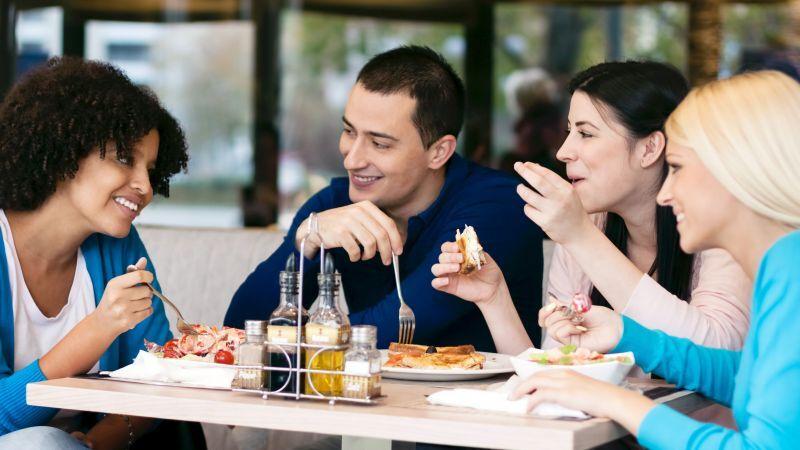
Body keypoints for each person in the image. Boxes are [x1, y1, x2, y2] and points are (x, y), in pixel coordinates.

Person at [512, 70, 800, 449]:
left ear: (736, 169)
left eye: (676, 167)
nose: (665, 193)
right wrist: (627, 335)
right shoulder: (782, 262)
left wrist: (617, 402)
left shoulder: (789, 269)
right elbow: (745, 376)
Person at [225, 46, 544, 350]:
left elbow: (397, 326)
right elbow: (238, 332)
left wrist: (286, 338)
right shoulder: (334, 206)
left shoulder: (497, 205)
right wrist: (304, 242)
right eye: (349, 132)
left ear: (438, 152)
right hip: (364, 387)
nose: (352, 159)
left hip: (483, 390)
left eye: (379, 144)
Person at [432, 61, 750, 355]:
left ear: (649, 148)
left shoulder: (719, 224)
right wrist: (494, 298)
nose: (563, 152)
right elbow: (558, 367)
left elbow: (718, 353)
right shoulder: (588, 227)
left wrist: (580, 236)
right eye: (569, 131)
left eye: (585, 133)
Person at [0, 57, 188, 448]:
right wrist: (99, 329)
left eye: (151, 169)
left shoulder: (118, 245)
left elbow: (156, 377)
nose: (145, 186)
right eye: (125, 158)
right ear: (66, 152)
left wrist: (95, 442)